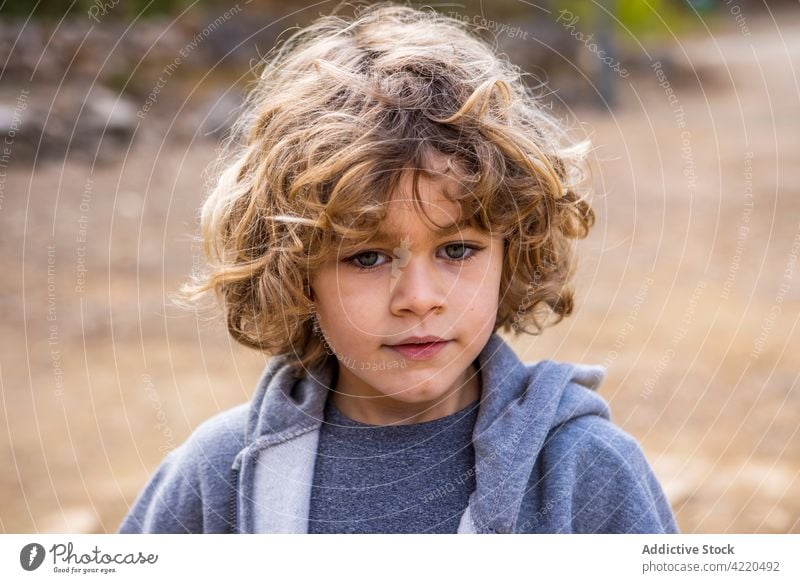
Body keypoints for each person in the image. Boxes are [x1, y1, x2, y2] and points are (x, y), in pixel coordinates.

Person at [118, 1, 678, 534]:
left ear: (513, 252)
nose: (418, 297)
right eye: (367, 256)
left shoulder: (584, 474)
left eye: (457, 250)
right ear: (295, 273)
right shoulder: (221, 479)